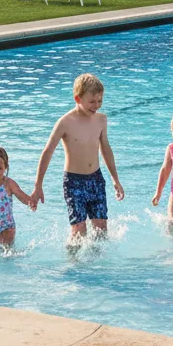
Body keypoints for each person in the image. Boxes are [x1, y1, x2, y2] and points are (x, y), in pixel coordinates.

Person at [31, 73, 125, 241]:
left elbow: (106, 149)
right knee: (79, 231)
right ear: (77, 99)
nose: (96, 106)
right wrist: (38, 185)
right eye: (92, 102)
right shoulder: (65, 122)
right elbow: (47, 152)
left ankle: (100, 258)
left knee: (101, 229)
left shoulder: (101, 120)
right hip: (74, 182)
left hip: (96, 179)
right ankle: (73, 257)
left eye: (100, 101)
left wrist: (115, 179)